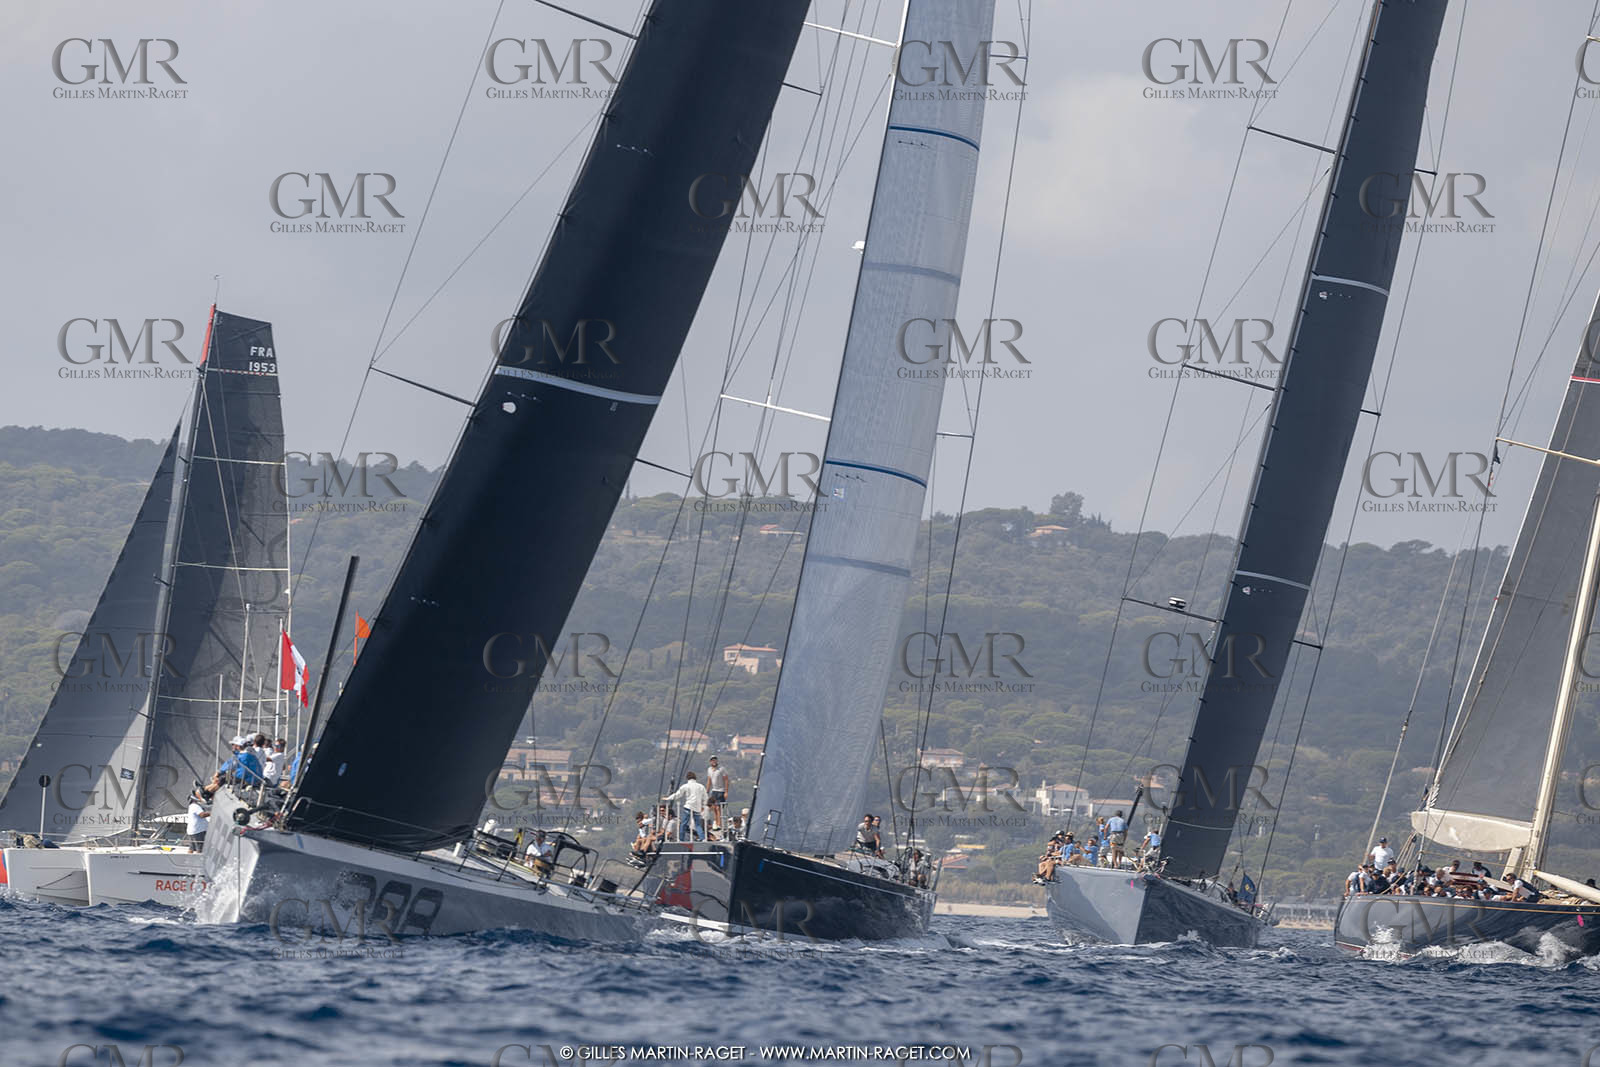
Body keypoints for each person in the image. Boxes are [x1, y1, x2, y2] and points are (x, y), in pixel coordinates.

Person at [664, 772, 708, 841]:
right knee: (698, 825)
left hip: (688, 807)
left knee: (683, 824)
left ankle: (681, 839)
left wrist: (668, 798)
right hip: (697, 808)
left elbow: (677, 795)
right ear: (695, 778)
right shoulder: (701, 786)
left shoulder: (686, 786)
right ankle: (702, 838)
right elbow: (705, 798)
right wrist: (703, 806)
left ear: (687, 778)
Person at [705, 756, 730, 832]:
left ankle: (719, 824)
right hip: (714, 791)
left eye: (715, 760)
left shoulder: (721, 769)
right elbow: (709, 780)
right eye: (712, 760)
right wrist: (707, 791)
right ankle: (716, 822)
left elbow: (726, 780)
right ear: (710, 761)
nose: (714, 761)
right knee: (714, 807)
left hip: (721, 790)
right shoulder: (709, 770)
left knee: (718, 807)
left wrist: (726, 791)